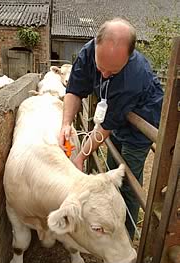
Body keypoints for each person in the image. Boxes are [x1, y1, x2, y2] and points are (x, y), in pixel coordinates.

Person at [59, 18, 164, 240]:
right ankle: (111, 216)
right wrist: (66, 123)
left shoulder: (133, 77)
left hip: (142, 120)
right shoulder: (89, 52)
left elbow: (105, 127)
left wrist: (80, 157)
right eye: (100, 68)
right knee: (112, 169)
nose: (104, 75)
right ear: (96, 45)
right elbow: (75, 89)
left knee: (128, 177)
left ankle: (125, 236)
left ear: (129, 56)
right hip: (115, 114)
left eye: (112, 71)